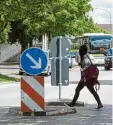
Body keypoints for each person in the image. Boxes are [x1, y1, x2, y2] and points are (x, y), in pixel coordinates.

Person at [67, 44, 103, 109]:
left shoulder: (85, 56)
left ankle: (72, 104)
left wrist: (82, 69)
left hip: (86, 78)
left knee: (78, 90)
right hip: (87, 78)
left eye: (80, 50)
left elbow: (88, 64)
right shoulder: (88, 55)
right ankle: (99, 104)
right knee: (91, 91)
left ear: (82, 50)